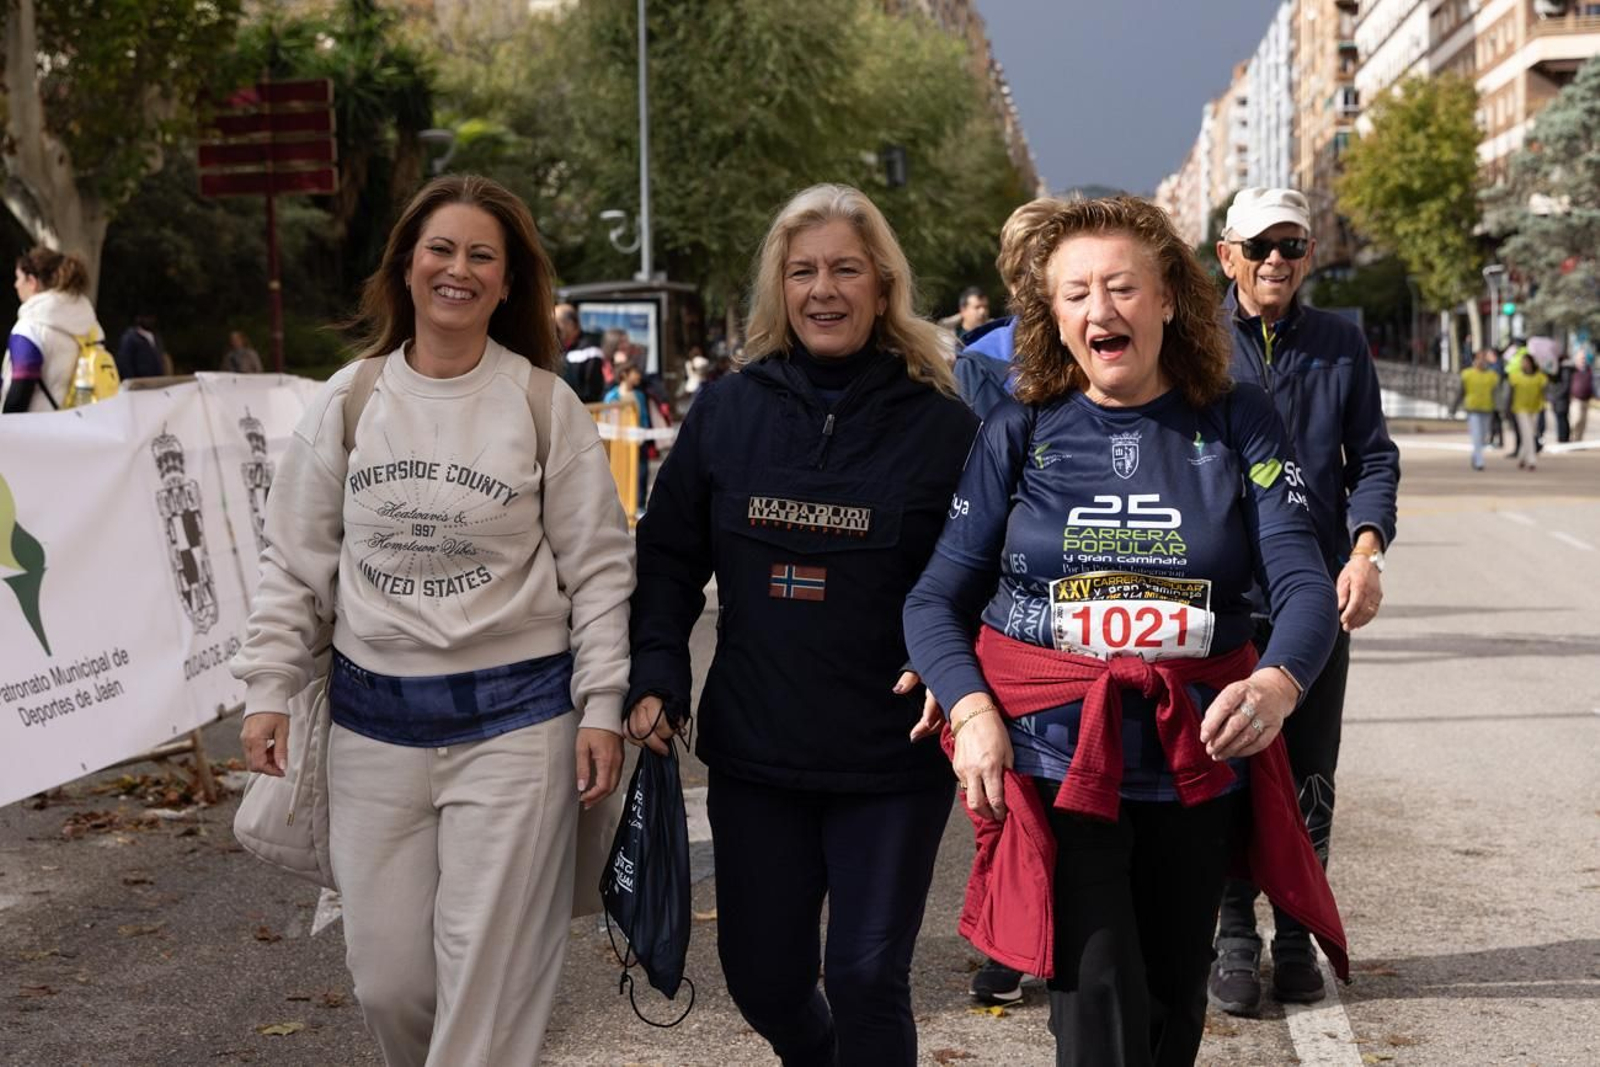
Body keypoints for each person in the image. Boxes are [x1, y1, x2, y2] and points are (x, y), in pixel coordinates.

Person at [903, 195, 1344, 1067]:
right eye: (1077, 293)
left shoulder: (1237, 418)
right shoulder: (1017, 430)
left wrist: (1277, 682)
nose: (1100, 310)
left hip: (1197, 765)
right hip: (1060, 764)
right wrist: (973, 710)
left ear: (1171, 298)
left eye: (1121, 288)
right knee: (1096, 1010)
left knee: (1170, 1014)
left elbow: (1301, 580)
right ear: (1052, 313)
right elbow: (934, 599)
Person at [231, 174, 634, 1065]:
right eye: (441, 249)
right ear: (407, 265)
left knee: (486, 990)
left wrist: (601, 702)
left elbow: (602, 571)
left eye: (481, 255)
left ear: (507, 281)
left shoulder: (541, 403)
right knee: (393, 983)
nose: (459, 269)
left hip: (518, 728)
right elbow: (294, 561)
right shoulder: (350, 399)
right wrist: (267, 685)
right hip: (374, 730)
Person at [624, 183, 978, 1067]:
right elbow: (667, 558)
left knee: (866, 977)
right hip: (760, 755)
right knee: (764, 979)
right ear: (779, 290)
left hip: (891, 757)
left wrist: (960, 681)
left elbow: (978, 577)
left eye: (846, 269)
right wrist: (658, 672)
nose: (824, 289)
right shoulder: (727, 413)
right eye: (803, 270)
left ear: (883, 284)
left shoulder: (945, 428)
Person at [1211, 186, 1399, 1013]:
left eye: (1292, 245)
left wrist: (1366, 550)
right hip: (1215, 597)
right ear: (1228, 255)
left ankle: (1294, 934)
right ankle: (1233, 933)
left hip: (1313, 597)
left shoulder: (1339, 342)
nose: (1277, 260)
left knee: (1305, 771)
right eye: (1261, 247)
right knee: (1219, 765)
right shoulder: (1193, 341)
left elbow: (1375, 457)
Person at [4, 247, 103, 413]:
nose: (15, 285)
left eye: (18, 278)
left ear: (32, 282)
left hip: (35, 432)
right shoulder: (91, 326)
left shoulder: (29, 329)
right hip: (79, 428)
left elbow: (19, 392)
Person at [603, 359, 651, 516]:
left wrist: (643, 433)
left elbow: (644, 416)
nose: (638, 376)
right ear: (624, 374)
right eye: (635, 373)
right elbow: (607, 418)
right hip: (620, 443)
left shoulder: (639, 395)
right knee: (620, 472)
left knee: (642, 473)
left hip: (639, 441)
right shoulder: (612, 396)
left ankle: (639, 506)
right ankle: (621, 504)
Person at [1456, 350, 1499, 471]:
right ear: (1474, 361)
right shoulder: (1467, 374)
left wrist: (1498, 407)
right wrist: (1454, 407)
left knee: (1483, 437)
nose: (1481, 362)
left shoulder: (1492, 376)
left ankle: (1475, 456)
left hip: (1487, 408)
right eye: (1479, 359)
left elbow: (1496, 393)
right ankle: (1479, 461)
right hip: (1472, 408)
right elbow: (1461, 391)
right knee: (1476, 435)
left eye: (1483, 359)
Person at [556, 302, 606, 402]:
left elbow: (593, 392)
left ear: (570, 324)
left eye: (557, 323)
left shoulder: (590, 351)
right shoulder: (557, 349)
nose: (554, 328)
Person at [1507, 351, 1549, 471]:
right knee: (1527, 433)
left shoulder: (1540, 377)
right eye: (1522, 362)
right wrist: (1507, 408)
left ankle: (1521, 458)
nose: (1524, 364)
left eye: (1526, 362)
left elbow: (1545, 391)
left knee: (1531, 434)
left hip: (1535, 408)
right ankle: (1531, 460)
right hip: (1520, 408)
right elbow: (1510, 394)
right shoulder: (1516, 376)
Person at [115, 312, 168, 380]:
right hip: (140, 383)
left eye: (151, 317)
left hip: (156, 381)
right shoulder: (130, 338)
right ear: (138, 319)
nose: (150, 320)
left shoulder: (156, 337)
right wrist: (132, 381)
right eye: (146, 317)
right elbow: (124, 363)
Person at [1570, 350, 1593, 441]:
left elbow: (1592, 383)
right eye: (1581, 358)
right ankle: (1572, 436)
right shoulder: (1573, 369)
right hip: (1576, 399)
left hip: (1586, 399)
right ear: (1577, 359)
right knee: (1576, 419)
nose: (1583, 360)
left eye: (1584, 358)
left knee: (1583, 421)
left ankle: (1579, 440)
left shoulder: (1588, 369)